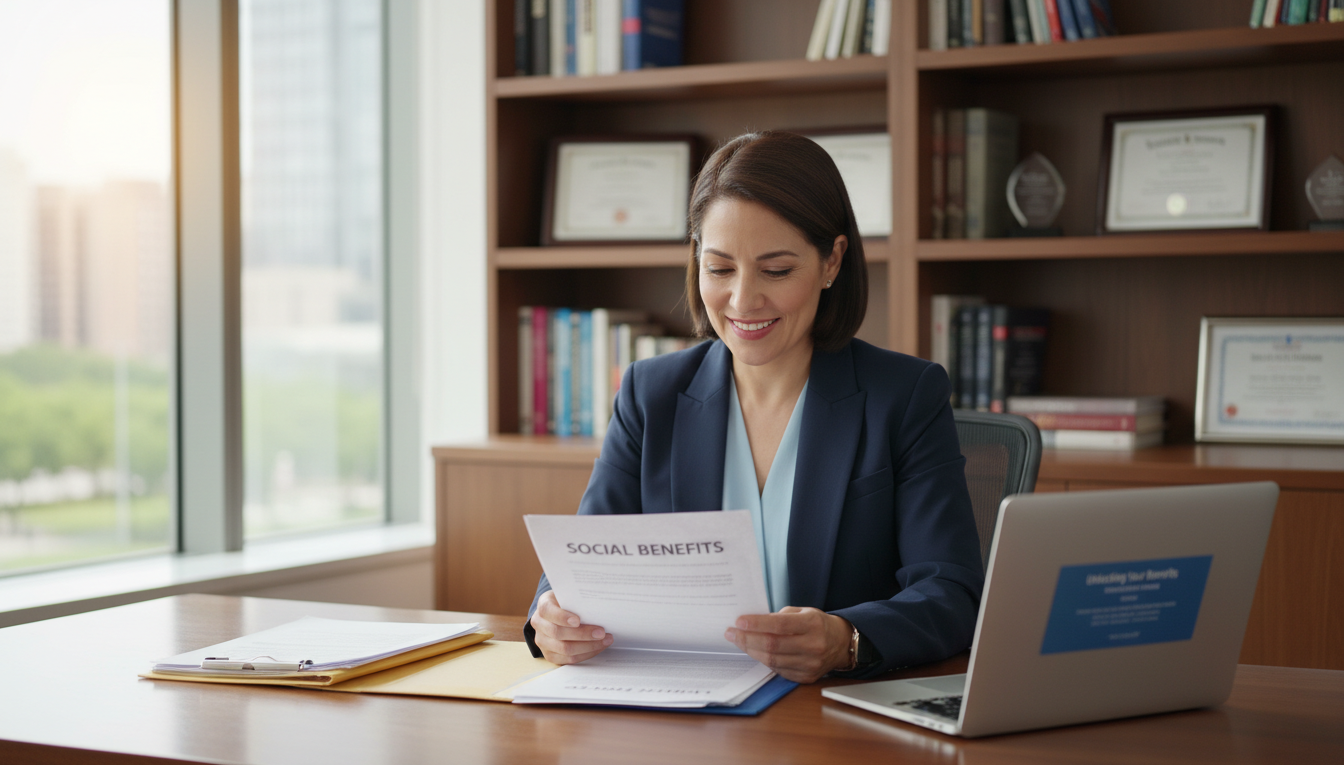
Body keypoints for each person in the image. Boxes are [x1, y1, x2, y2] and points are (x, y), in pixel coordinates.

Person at [523, 131, 984, 682]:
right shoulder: (651, 394)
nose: (743, 301)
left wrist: (847, 639)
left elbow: (952, 591)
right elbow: (582, 568)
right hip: (681, 705)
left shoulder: (904, 395)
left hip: (835, 714)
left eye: (777, 270)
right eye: (720, 269)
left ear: (832, 261)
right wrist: (549, 616)